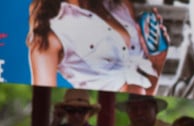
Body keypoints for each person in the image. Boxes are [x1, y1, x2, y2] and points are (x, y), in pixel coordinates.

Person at [27, 0, 168, 94]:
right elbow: (41, 103)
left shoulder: (120, 4)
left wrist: (158, 63)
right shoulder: (49, 34)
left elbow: (145, 95)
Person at [36, 89, 111, 126]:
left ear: (88, 113)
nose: (76, 115)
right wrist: (55, 123)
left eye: (82, 111)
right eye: (71, 110)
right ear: (65, 112)